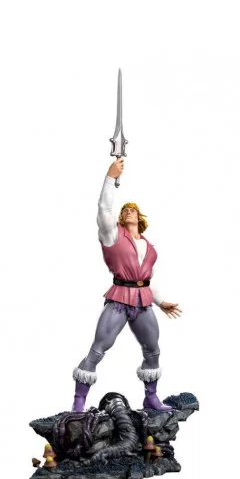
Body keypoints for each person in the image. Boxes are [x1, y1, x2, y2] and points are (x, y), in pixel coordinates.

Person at [71, 158, 182, 412]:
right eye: (125, 210)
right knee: (98, 349)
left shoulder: (149, 247)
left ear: (139, 217)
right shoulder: (112, 234)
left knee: (152, 350)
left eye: (133, 209)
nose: (128, 211)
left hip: (143, 302)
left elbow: (148, 279)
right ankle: (79, 402)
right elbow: (103, 207)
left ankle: (151, 398)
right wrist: (110, 177)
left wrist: (161, 302)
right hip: (120, 299)